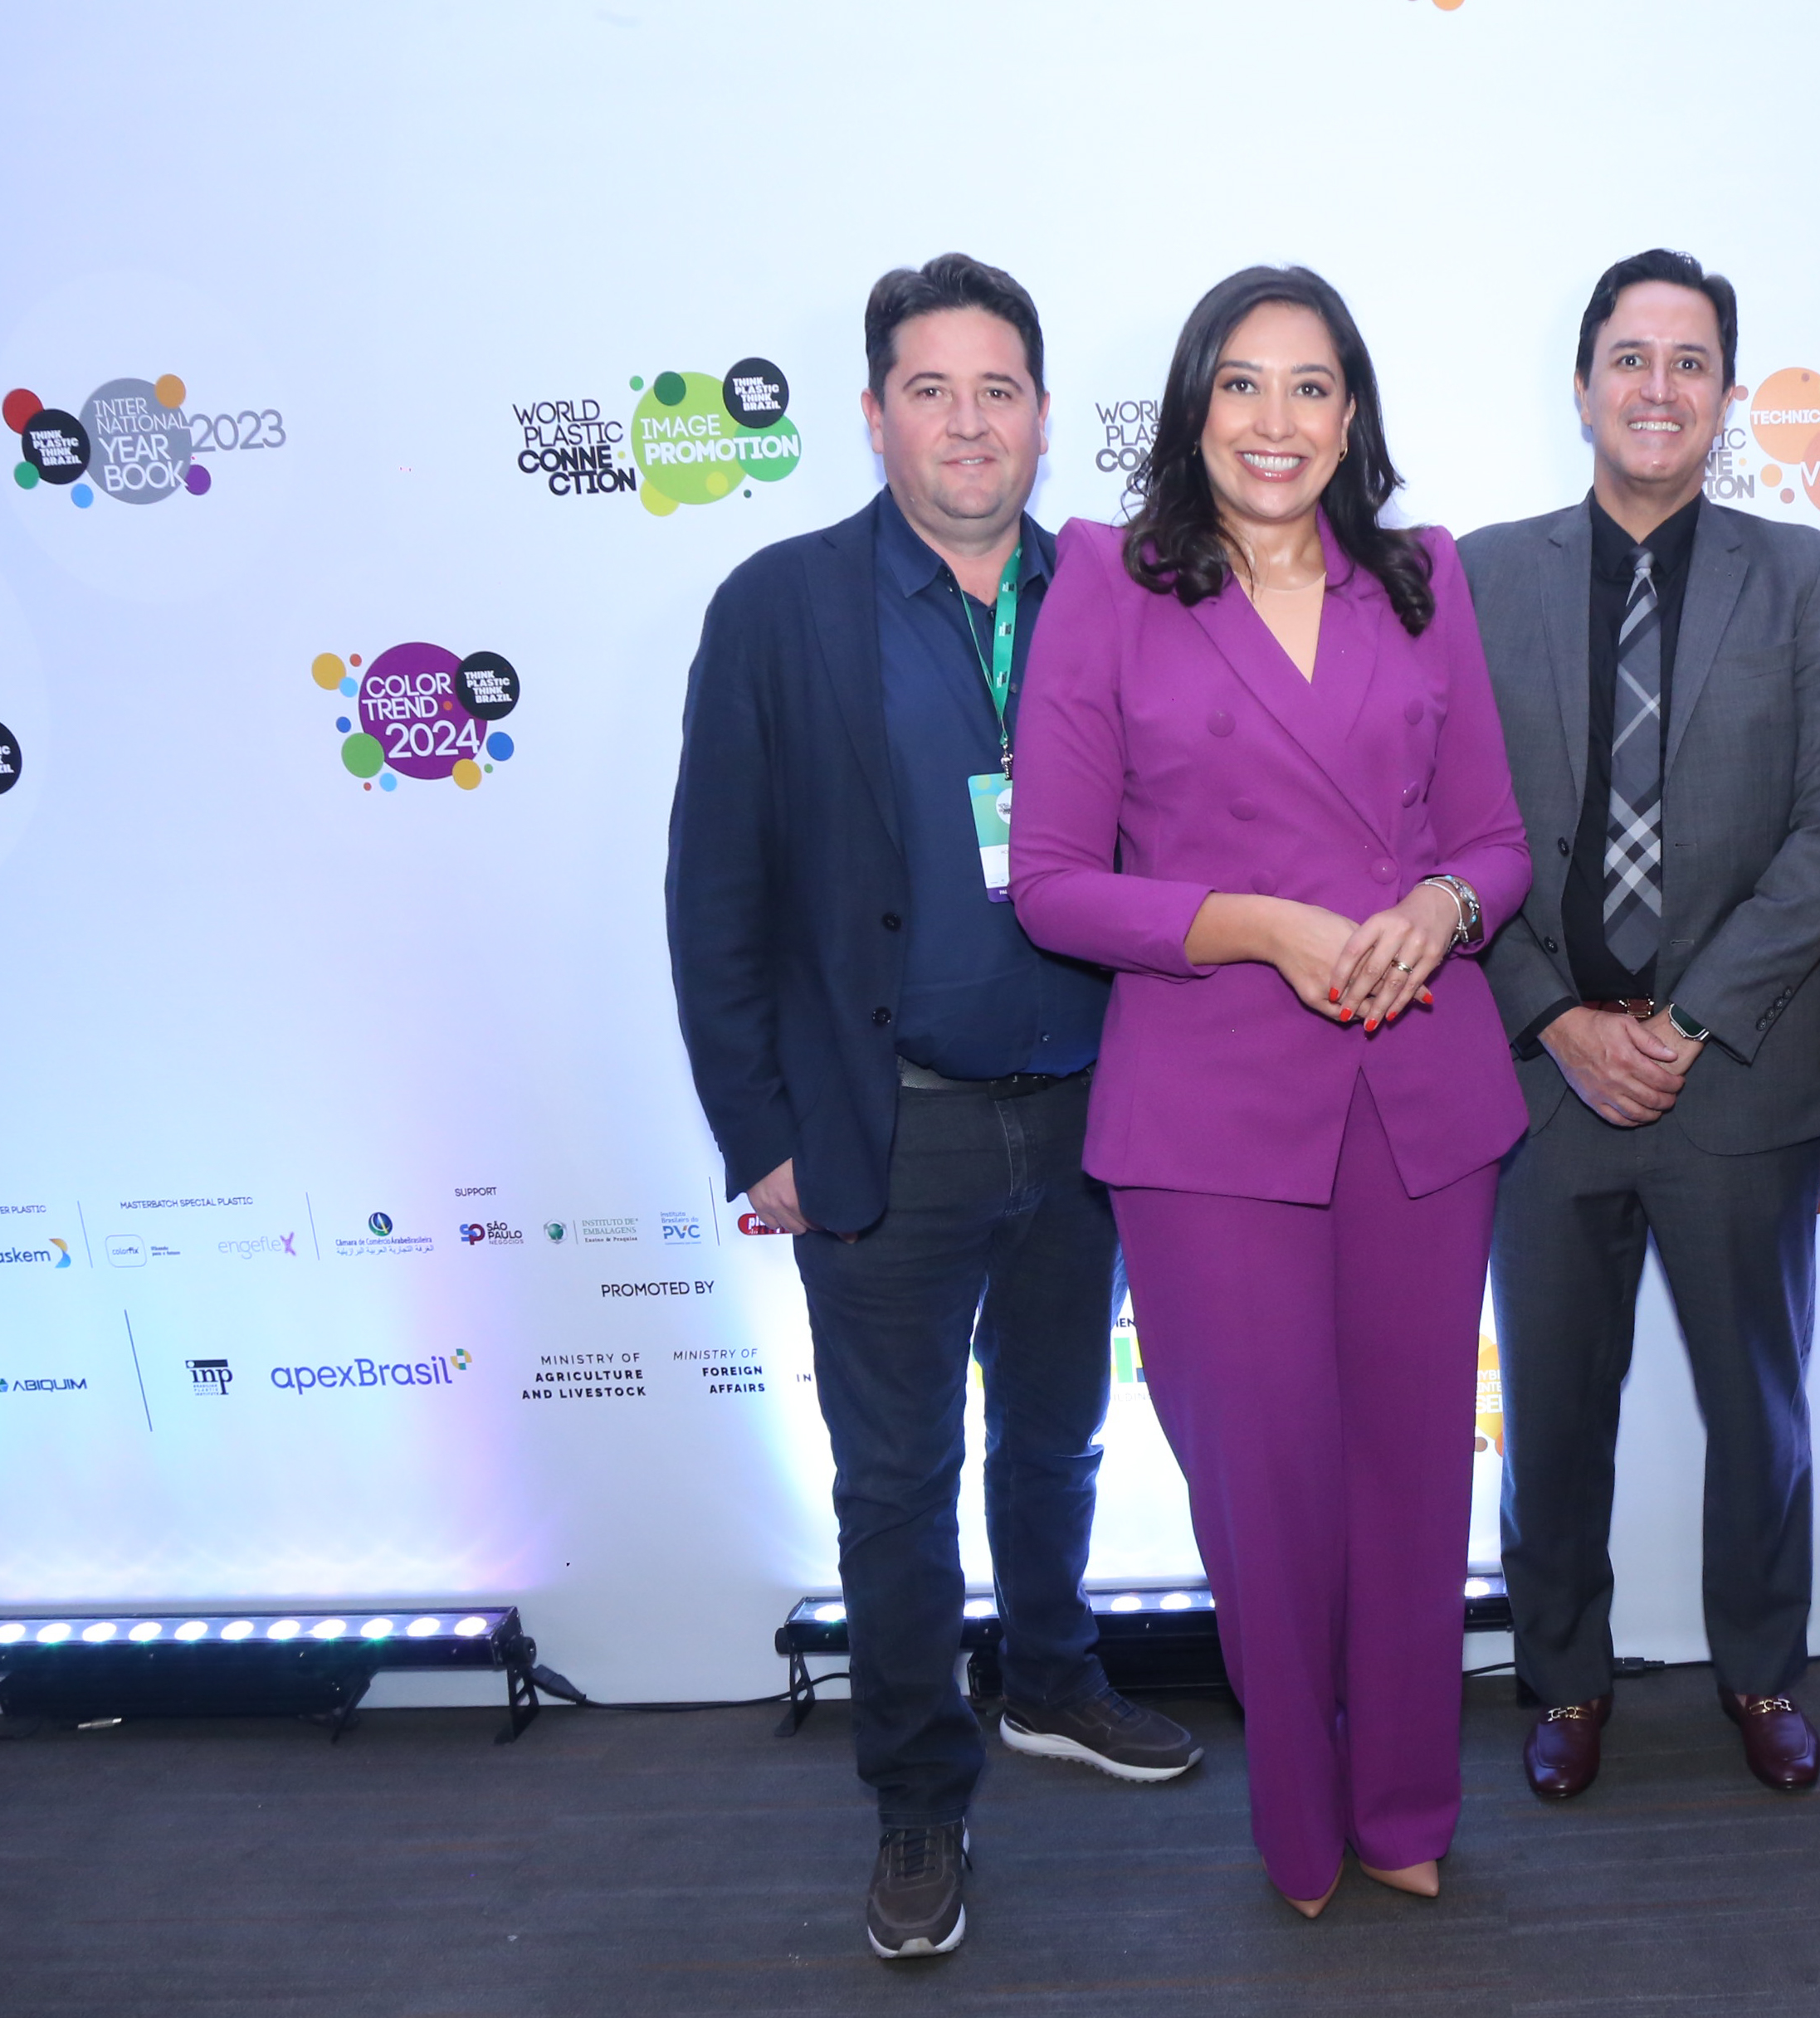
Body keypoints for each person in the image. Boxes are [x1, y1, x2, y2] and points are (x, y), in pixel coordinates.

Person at [665, 254, 1201, 1965]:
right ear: (874, 413)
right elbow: (713, 892)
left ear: (1042, 415)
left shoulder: (1118, 589)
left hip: (1093, 1112)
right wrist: (762, 1133)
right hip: (886, 1130)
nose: (968, 423)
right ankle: (917, 1794)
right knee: (897, 1485)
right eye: (930, 390)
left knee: (1061, 1436)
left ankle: (1051, 1677)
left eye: (997, 390)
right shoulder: (782, 607)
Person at [1008, 266, 1530, 1916]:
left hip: (1420, 1094)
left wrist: (1440, 908)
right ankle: (1300, 1826)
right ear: (1193, 408)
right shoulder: (1110, 582)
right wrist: (1258, 926)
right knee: (1264, 1490)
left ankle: (1406, 1806)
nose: (1277, 420)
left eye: (1312, 387)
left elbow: (1496, 843)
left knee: (1413, 1479)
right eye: (1243, 384)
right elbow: (1051, 883)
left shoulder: (1422, 576)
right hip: (1211, 1111)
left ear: (1352, 413)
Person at [1461, 250, 1820, 1802]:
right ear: (1583, 386)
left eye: (1689, 362)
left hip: (1740, 1080)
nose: (1658, 387)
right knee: (1552, 1413)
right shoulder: (1477, 578)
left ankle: (1761, 1669)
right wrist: (1559, 1020)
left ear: (1726, 397)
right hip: (1543, 1079)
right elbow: (1440, 826)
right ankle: (1564, 1680)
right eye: (1629, 359)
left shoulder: (1806, 579)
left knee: (1759, 1410)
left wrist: (1688, 1020)